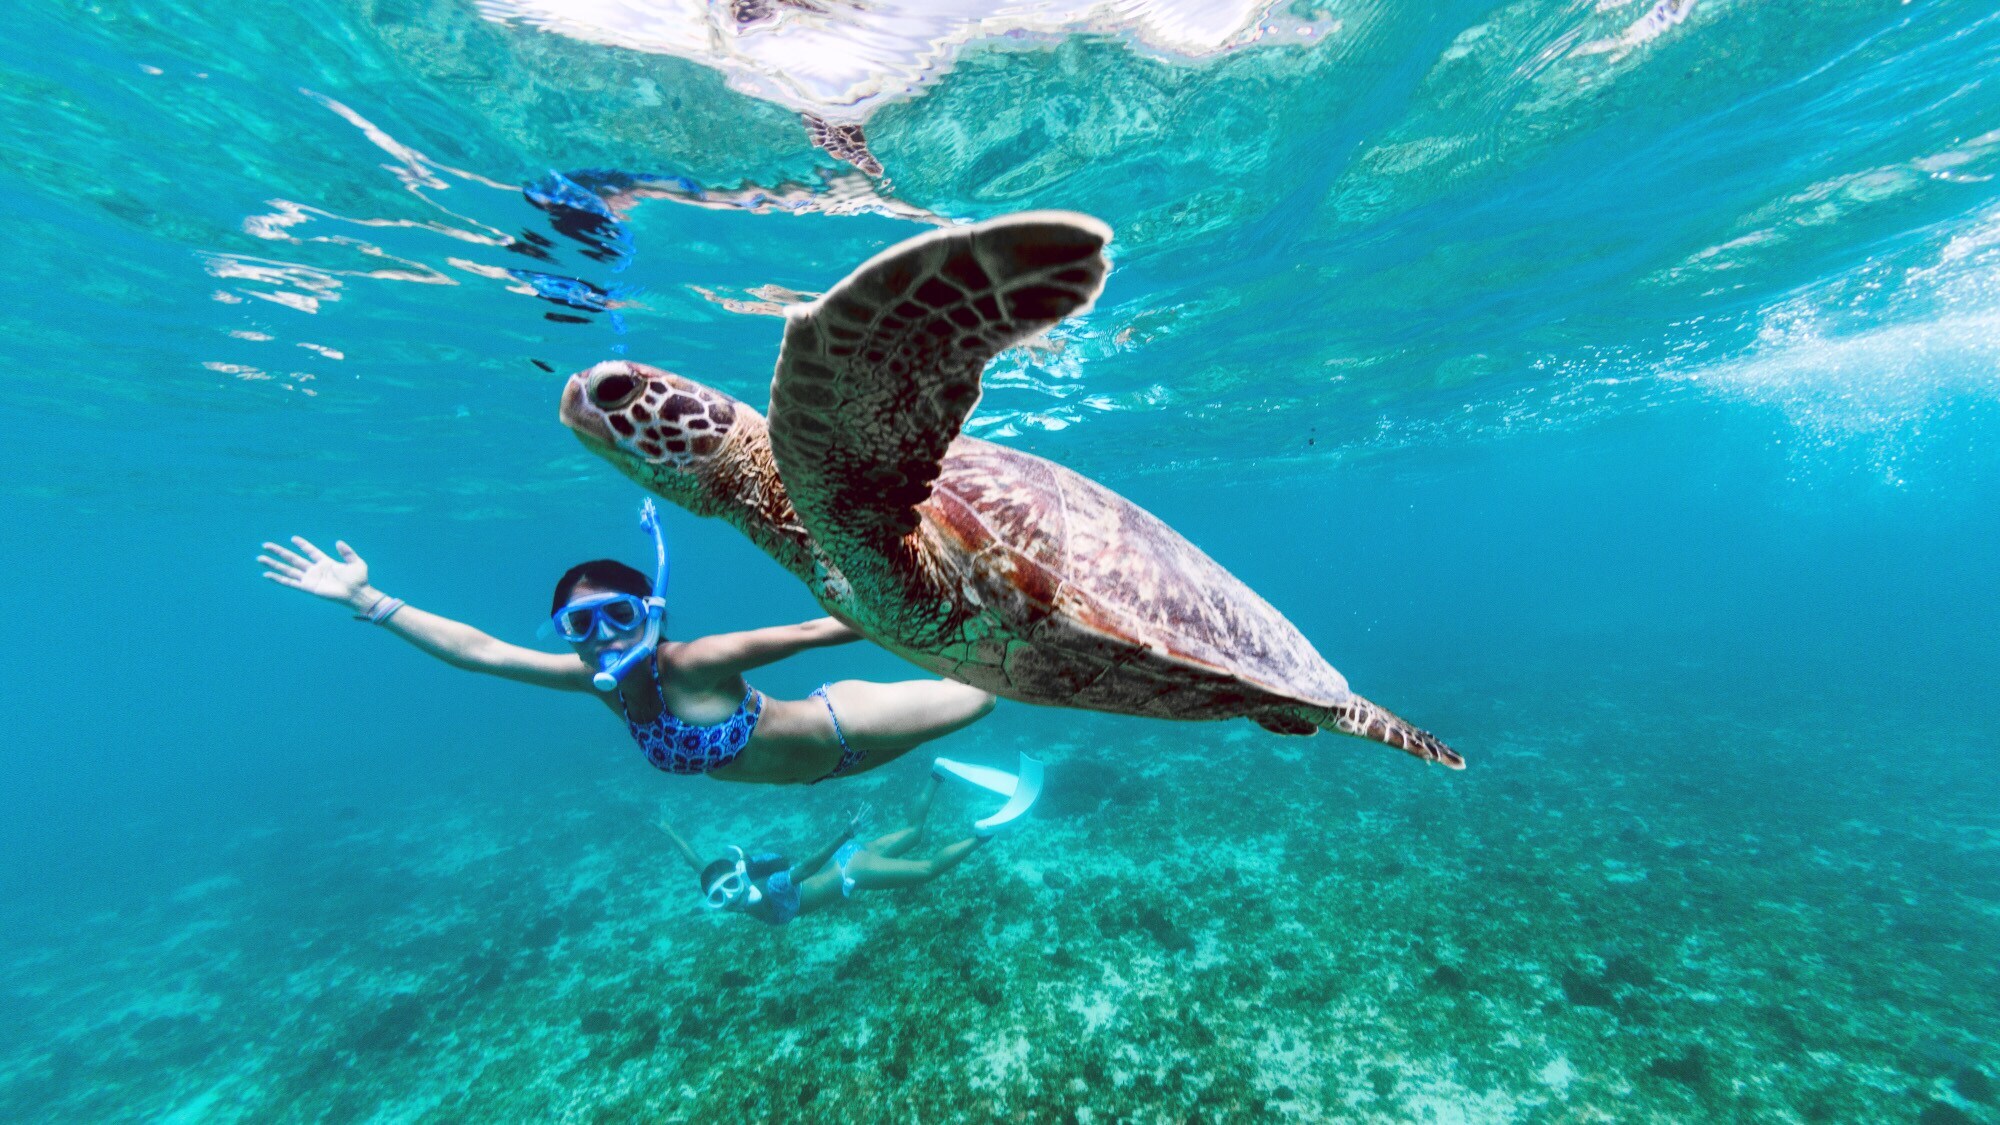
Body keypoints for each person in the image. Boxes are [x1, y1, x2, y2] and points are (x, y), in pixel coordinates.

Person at [255, 502, 994, 784]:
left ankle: (1001, 598)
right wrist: (370, 601)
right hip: (829, 772)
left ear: (652, 611)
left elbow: (813, 629)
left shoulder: (695, 661)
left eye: (616, 614)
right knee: (944, 732)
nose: (603, 638)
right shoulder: (593, 684)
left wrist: (939, 599)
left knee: (988, 693)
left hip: (846, 723)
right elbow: (479, 651)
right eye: (580, 625)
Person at [659, 771, 1002, 926]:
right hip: (846, 860)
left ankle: (981, 836)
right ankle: (936, 775)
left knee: (926, 871)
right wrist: (670, 832)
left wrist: (845, 832)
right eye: (719, 898)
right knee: (913, 834)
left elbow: (806, 867)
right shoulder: (738, 884)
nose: (730, 899)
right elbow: (700, 866)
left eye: (731, 888)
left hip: (849, 868)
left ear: (741, 878)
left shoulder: (770, 886)